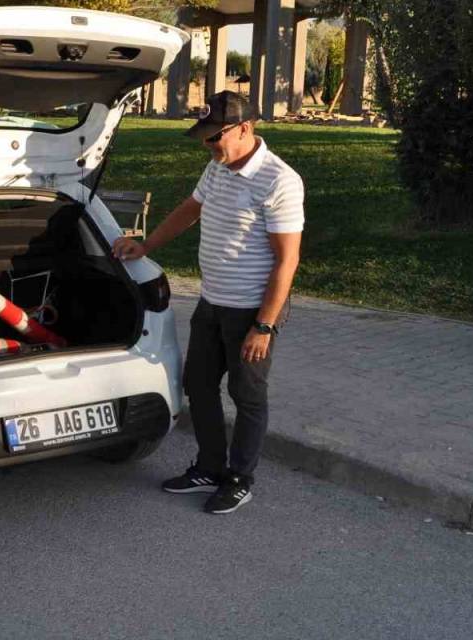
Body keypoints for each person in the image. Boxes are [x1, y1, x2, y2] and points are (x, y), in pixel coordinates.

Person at [112, 91, 304, 515]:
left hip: (252, 311)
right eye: (204, 137)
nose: (208, 145)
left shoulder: (279, 180)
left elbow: (287, 260)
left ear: (245, 129)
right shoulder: (217, 167)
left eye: (215, 137)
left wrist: (264, 326)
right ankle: (210, 466)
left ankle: (240, 478)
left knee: (247, 394)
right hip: (212, 302)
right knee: (198, 385)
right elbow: (189, 209)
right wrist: (147, 245)